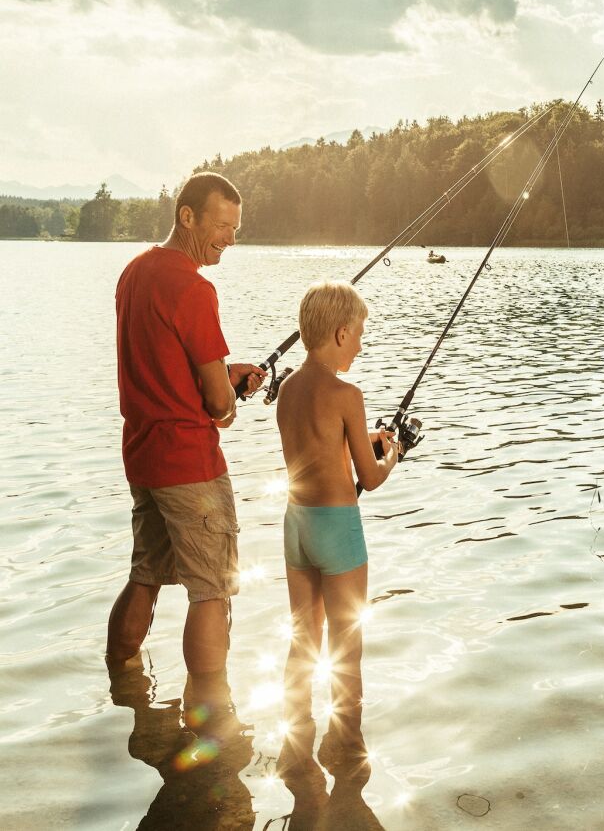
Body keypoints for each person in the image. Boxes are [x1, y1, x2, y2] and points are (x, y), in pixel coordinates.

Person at [107, 172, 266, 679]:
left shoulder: (135, 272)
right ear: (187, 217)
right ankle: (212, 714)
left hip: (143, 456)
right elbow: (217, 401)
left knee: (146, 574)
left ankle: (120, 677)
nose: (230, 238)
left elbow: (164, 361)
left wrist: (223, 375)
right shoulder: (195, 289)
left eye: (236, 228)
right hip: (189, 464)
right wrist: (227, 402)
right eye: (222, 225)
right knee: (212, 590)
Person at [273, 281, 403, 770]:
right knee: (347, 642)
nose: (363, 343)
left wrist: (361, 437)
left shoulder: (287, 387)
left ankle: (295, 732)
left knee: (303, 635)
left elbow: (318, 442)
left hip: (297, 525)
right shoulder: (348, 392)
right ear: (342, 332)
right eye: (361, 333)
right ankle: (347, 747)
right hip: (337, 528)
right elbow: (367, 476)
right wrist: (392, 453)